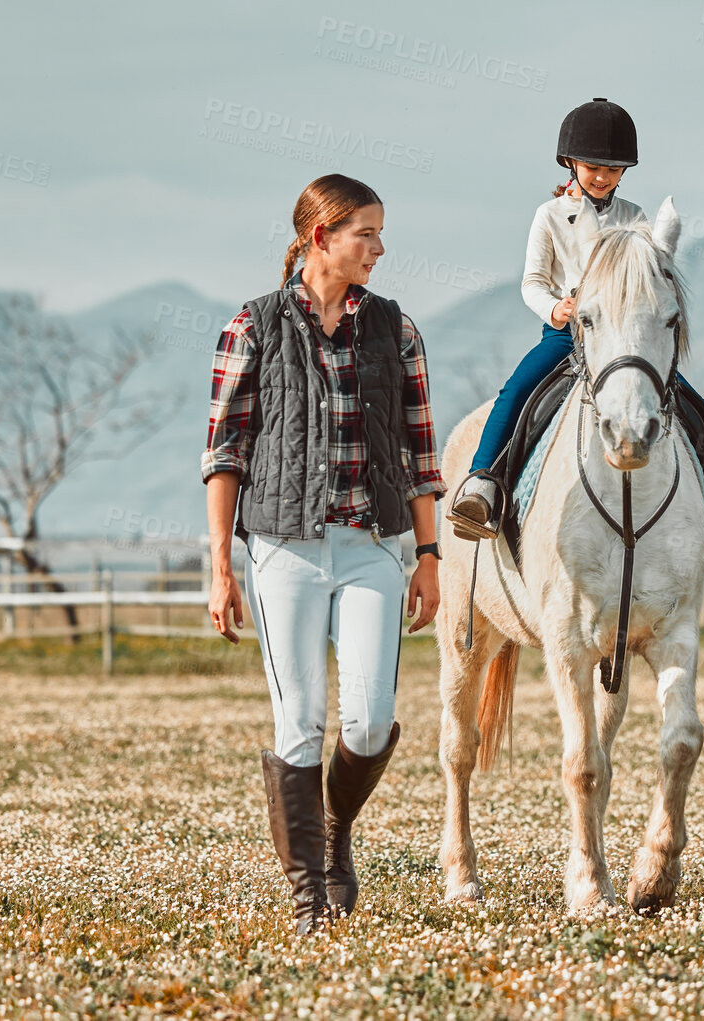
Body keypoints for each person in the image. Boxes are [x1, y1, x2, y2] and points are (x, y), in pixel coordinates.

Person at [202, 173, 445, 935]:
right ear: (320, 239)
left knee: (371, 721)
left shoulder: (397, 330)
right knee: (299, 721)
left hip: (374, 545)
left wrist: (430, 554)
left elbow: (420, 452)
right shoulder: (254, 325)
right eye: (364, 233)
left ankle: (335, 829)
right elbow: (224, 451)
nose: (378, 247)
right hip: (284, 550)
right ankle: (310, 898)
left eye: (379, 232)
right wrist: (220, 563)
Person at [447, 97, 704, 560]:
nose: (602, 176)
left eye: (613, 170)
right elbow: (532, 281)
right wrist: (555, 309)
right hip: (566, 333)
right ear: (571, 163)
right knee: (516, 393)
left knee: (697, 407)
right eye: (593, 166)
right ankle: (483, 485)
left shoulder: (634, 217)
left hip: (622, 337)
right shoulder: (549, 216)